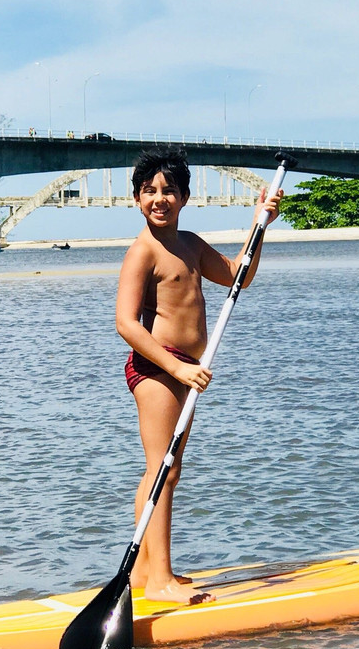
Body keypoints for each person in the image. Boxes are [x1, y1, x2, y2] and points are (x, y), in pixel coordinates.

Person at [115, 146, 282, 604]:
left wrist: (259, 224)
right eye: (149, 191)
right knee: (162, 470)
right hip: (157, 367)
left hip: (185, 370)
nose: (159, 199)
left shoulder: (189, 244)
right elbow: (126, 323)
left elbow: (236, 275)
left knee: (163, 470)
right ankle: (161, 580)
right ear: (136, 199)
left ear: (185, 197)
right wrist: (175, 367)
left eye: (169, 190)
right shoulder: (142, 252)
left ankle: (144, 573)